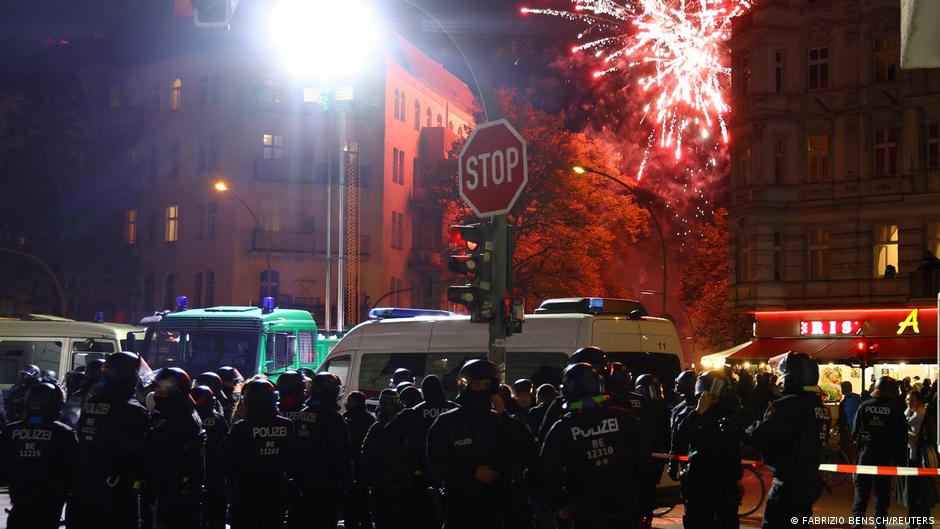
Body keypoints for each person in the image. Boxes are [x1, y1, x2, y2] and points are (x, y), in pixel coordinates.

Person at [540, 362, 651, 529]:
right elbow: (644, 463)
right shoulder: (624, 418)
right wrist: (646, 505)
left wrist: (560, 506)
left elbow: (547, 471)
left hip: (586, 512)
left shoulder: (562, 428)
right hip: (626, 507)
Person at [748, 352, 830, 529]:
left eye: (784, 375)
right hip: (808, 484)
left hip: (787, 487)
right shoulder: (818, 406)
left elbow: (760, 436)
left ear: (791, 377)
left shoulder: (788, 405)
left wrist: (745, 429)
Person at [427, 359, 512, 529]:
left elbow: (521, 447)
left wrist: (504, 415)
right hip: (460, 504)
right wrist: (472, 472)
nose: (482, 389)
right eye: (477, 385)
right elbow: (436, 464)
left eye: (486, 384)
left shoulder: (498, 419)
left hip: (496, 504)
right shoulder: (447, 421)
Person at [74, 352, 151, 529]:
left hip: (87, 478)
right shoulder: (133, 410)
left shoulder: (92, 401)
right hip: (118, 485)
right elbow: (141, 451)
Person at [0, 382, 79, 529]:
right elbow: (73, 473)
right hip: (49, 505)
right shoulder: (64, 433)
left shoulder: (10, 431)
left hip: (19, 503)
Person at [220, 378, 294, 529]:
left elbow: (223, 456)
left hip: (246, 492)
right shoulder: (287, 425)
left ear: (248, 401)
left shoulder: (241, 427)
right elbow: (293, 457)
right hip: (276, 491)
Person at [677, 370, 744, 529]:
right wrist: (698, 412)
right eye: (704, 396)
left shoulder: (732, 414)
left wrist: (736, 430)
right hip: (699, 483)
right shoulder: (692, 413)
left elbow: (748, 436)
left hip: (725, 483)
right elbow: (681, 437)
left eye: (714, 397)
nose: (709, 400)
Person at [146, 367, 204, 529]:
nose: (157, 394)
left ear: (176, 391)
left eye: (162, 390)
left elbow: (174, 452)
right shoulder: (167, 412)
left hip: (176, 487)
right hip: (164, 484)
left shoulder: (184, 416)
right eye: (156, 389)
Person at [291, 373, 351, 529]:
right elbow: (342, 452)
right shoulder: (334, 418)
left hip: (303, 479)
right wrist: (346, 478)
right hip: (328, 481)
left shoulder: (300, 414)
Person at [851, 376, 908, 529]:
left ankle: (857, 522)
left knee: (861, 491)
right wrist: (899, 461)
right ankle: (879, 523)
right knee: (882, 492)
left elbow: (854, 432)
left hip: (865, 456)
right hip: (885, 457)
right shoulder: (896, 410)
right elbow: (902, 439)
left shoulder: (864, 407)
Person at [361, 389, 412, 529]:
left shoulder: (377, 428)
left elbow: (366, 453)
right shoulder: (407, 424)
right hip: (403, 483)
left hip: (383, 483)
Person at [896, 389, 937, 529]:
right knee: (912, 492)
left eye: (912, 400)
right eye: (907, 399)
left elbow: (931, 437)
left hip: (922, 458)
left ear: (919, 401)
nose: (909, 402)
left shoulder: (925, 416)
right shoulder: (905, 416)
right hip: (910, 457)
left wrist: (915, 438)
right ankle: (913, 522)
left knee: (923, 492)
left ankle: (925, 523)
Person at [191, 385, 229, 529]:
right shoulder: (217, 417)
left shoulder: (190, 417)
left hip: (195, 467)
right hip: (215, 468)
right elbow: (226, 442)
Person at [343, 391, 376, 529]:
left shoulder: (347, 419)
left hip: (351, 465)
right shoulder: (370, 419)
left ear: (354, 402)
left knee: (350, 501)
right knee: (364, 499)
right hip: (365, 466)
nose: (346, 403)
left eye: (349, 401)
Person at [669, 369, 698, 481]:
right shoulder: (709, 406)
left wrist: (673, 464)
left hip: (687, 458)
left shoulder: (678, 410)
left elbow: (675, 439)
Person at [837, 381, 861, 462]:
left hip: (847, 429)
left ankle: (850, 465)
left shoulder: (847, 401)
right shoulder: (857, 399)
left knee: (848, 450)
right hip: (855, 429)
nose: (842, 389)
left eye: (842, 387)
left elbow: (845, 416)